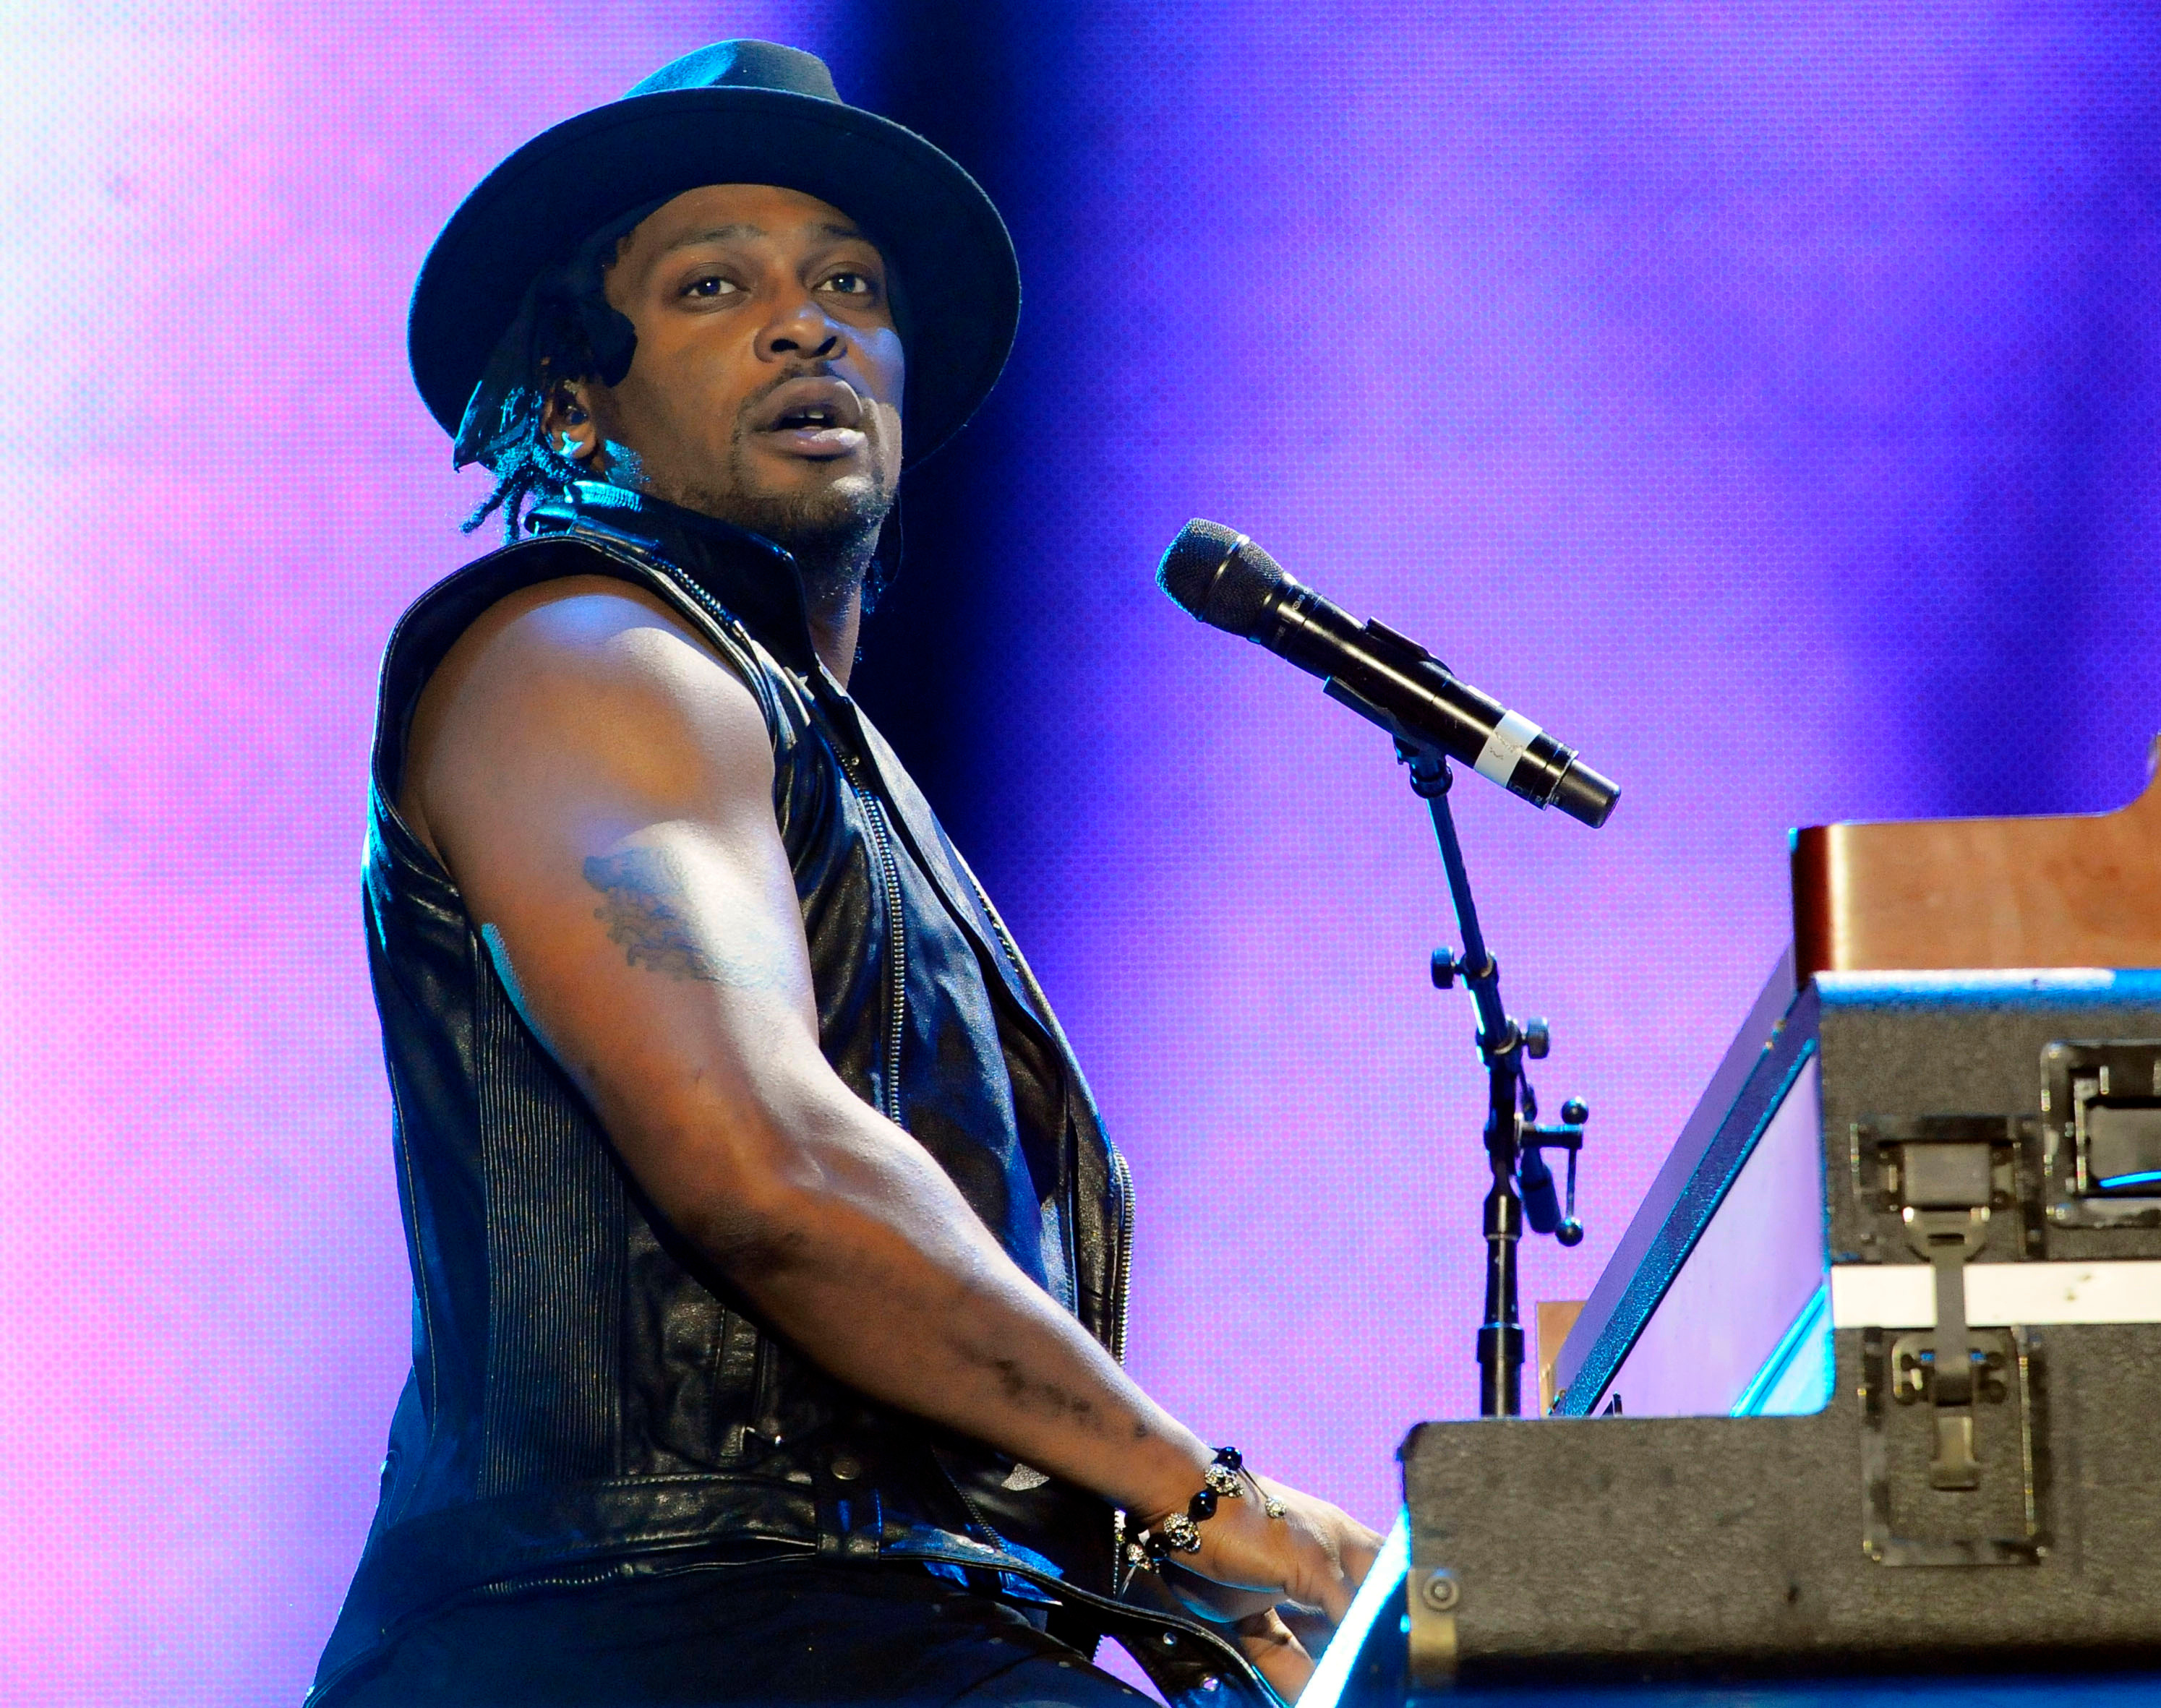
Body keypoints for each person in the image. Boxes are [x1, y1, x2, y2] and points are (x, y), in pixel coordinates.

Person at [310, 41, 1381, 1708]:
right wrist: (1211, 1509)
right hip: (658, 1635)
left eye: (851, 284)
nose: (806, 321)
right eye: (713, 284)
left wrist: (1146, 1577)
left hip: (845, 1630)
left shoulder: (810, 742)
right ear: (569, 399)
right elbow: (767, 1167)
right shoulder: (588, 655)